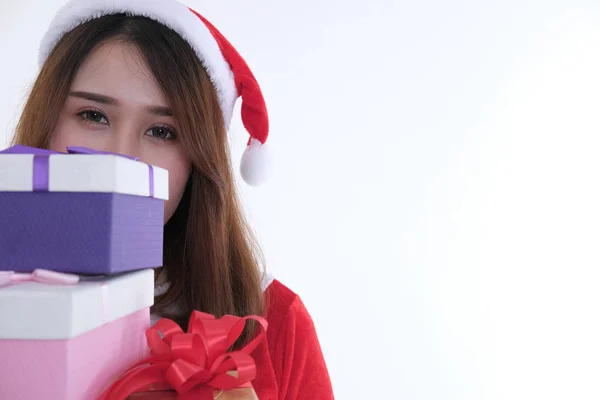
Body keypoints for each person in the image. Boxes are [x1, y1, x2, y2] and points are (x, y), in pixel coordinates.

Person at [10, 0, 334, 398]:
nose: (121, 157)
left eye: (162, 131)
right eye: (93, 115)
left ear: (197, 159)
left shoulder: (276, 322)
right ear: (45, 123)